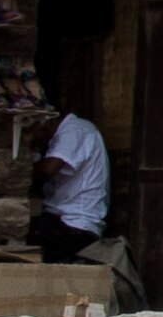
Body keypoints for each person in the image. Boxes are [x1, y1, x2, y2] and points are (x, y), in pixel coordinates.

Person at [36, 104, 111, 266]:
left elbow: (49, 169)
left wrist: (23, 163)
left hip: (74, 224)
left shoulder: (75, 129)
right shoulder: (70, 131)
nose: (36, 133)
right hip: (67, 221)